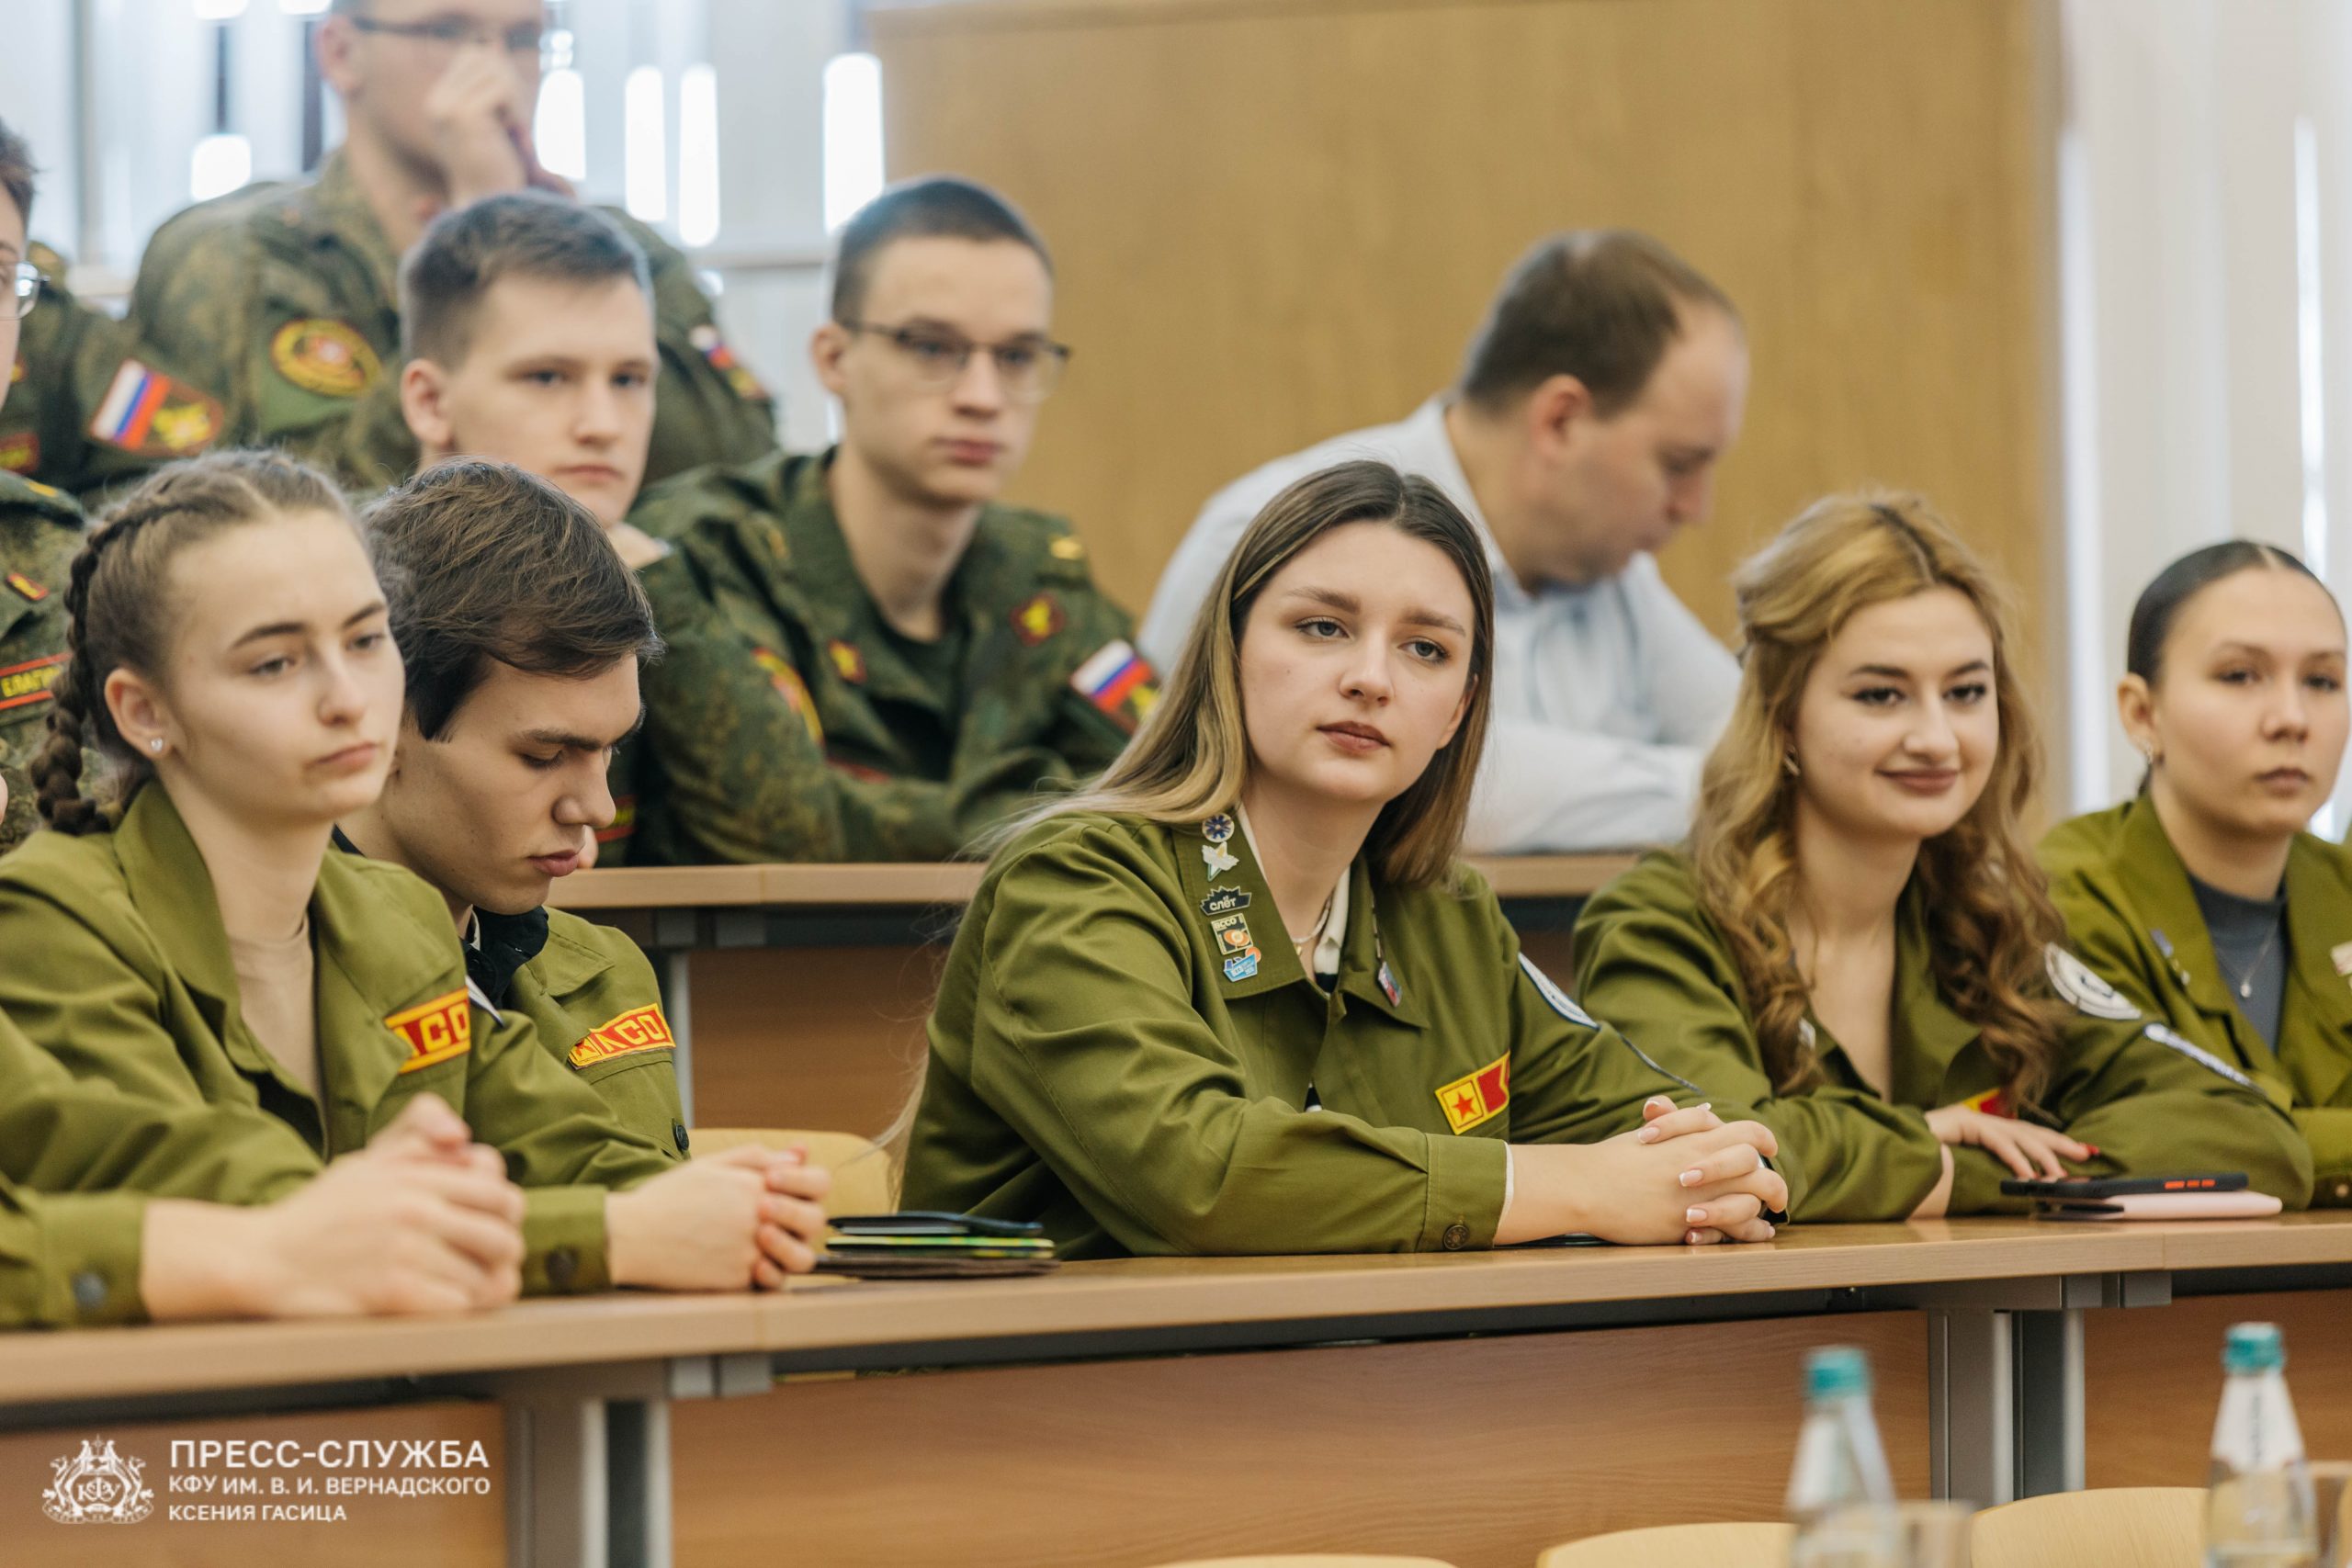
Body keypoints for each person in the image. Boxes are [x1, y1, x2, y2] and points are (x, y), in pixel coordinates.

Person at [904, 459, 1788, 1258]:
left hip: (1360, 1378)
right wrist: (1576, 1185)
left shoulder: (1447, 916)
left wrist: (1719, 1169)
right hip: (1050, 1382)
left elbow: (1682, 1127)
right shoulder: (1073, 883)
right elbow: (1203, 1177)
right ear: (1230, 652)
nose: (1372, 677)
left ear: (1456, 711)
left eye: (1426, 648)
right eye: (1323, 627)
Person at [0, 449, 830, 1297]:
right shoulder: (51, 920)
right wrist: (616, 1233)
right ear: (146, 712)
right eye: (275, 662)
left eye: (365, 641)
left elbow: (572, 1150)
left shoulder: (391, 917)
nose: (348, 697)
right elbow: (265, 1218)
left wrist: (736, 1205)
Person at [1571, 493, 2313, 1221]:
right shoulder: (1659, 923)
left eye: (1965, 692)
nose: (1936, 738)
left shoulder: (1988, 922)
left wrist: (1965, 1170)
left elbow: (2254, 1134)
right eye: (1880, 695)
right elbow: (1708, 1161)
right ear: (1782, 714)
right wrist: (1931, 1153)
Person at [1140, 230, 1749, 854]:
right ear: (1561, 420)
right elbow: (1443, 785)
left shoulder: (1612, 573)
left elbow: (1759, 745)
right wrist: (1710, 788)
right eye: (1678, 465)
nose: (1694, 507)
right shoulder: (1272, 528)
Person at [628, 175, 1157, 863]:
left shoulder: (1042, 573)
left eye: (1016, 357)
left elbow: (1163, 793)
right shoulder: (709, 551)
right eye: (932, 347)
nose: (982, 397)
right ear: (834, 359)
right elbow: (785, 831)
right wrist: (1043, 812)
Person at [127, 0, 776, 495]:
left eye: (523, 40)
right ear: (341, 53)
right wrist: (483, 239)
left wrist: (526, 231)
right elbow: (252, 511)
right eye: (446, 32)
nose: (494, 72)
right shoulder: (236, 255)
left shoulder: (624, 250)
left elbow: (742, 470)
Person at [390, 189, 784, 865]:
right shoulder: (345, 595)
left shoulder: (681, 573)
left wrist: (658, 591)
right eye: (548, 377)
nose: (603, 424)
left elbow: (783, 851)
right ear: (430, 402)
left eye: (629, 380)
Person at [340, 459, 685, 1153]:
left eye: (609, 749)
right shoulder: (272, 983)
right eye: (545, 755)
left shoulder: (608, 974)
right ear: (381, 720)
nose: (597, 809)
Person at [2040, 542, 2352, 1206]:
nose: (2292, 719)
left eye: (2322, 681)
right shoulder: (2064, 894)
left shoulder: (2343, 888)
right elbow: (2163, 1134)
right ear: (2141, 712)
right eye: (2240, 676)